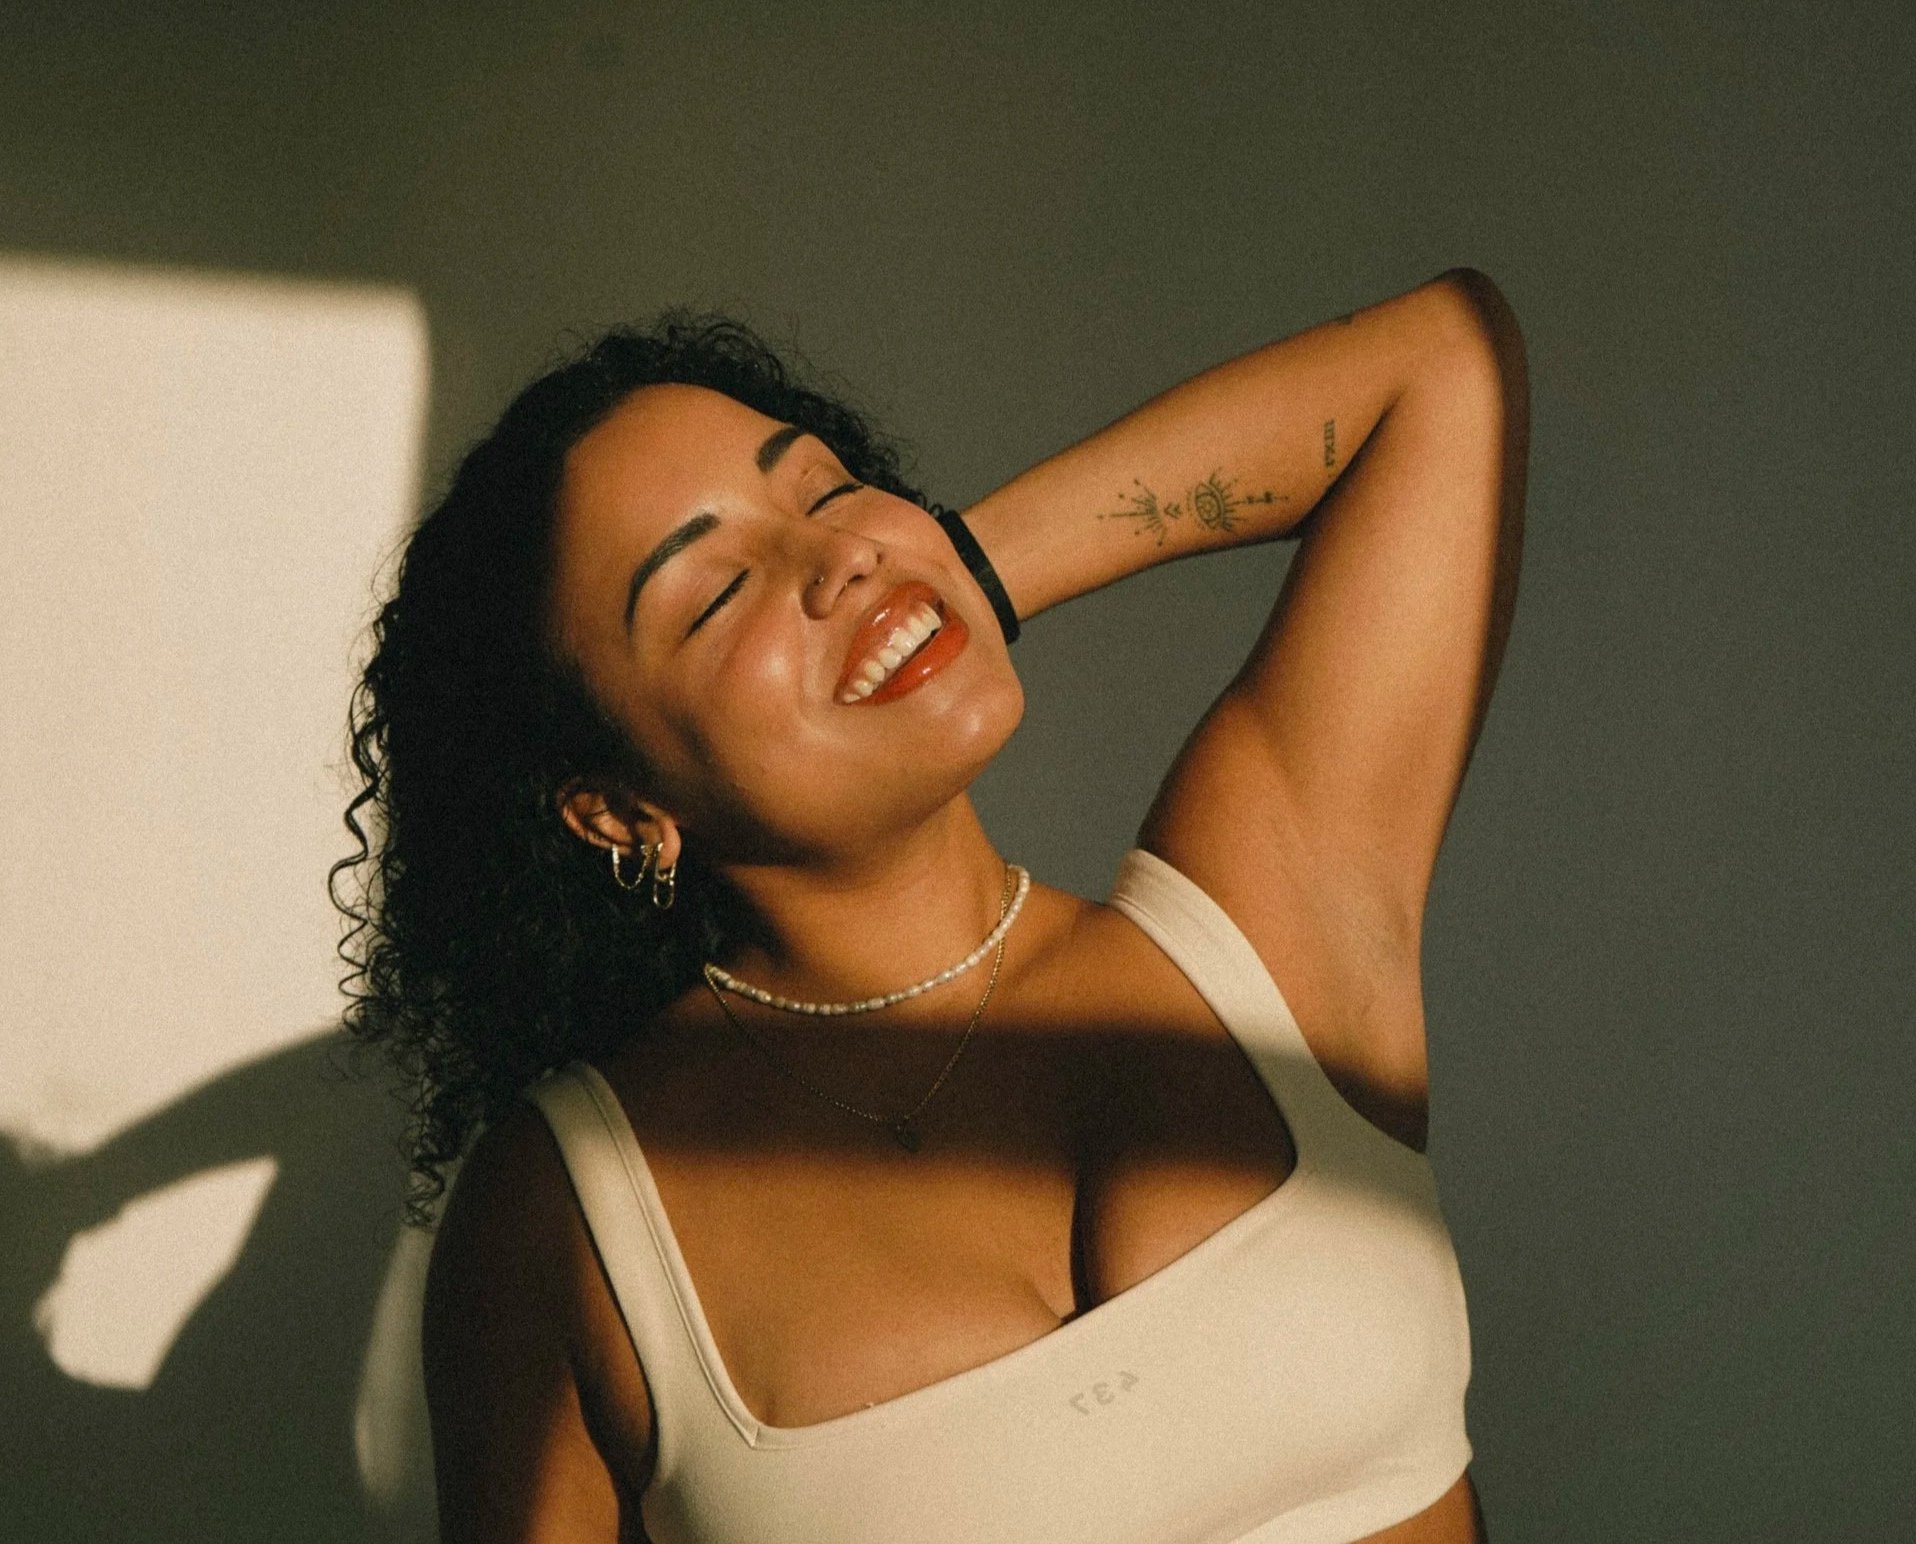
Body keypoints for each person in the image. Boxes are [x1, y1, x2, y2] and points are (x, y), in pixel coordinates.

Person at [337, 268, 1527, 1543]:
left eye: (823, 487)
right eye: (717, 590)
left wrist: (945, 572)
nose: (836, 554)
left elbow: (1441, 364)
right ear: (620, 812)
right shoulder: (575, 1217)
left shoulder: (1260, 920)